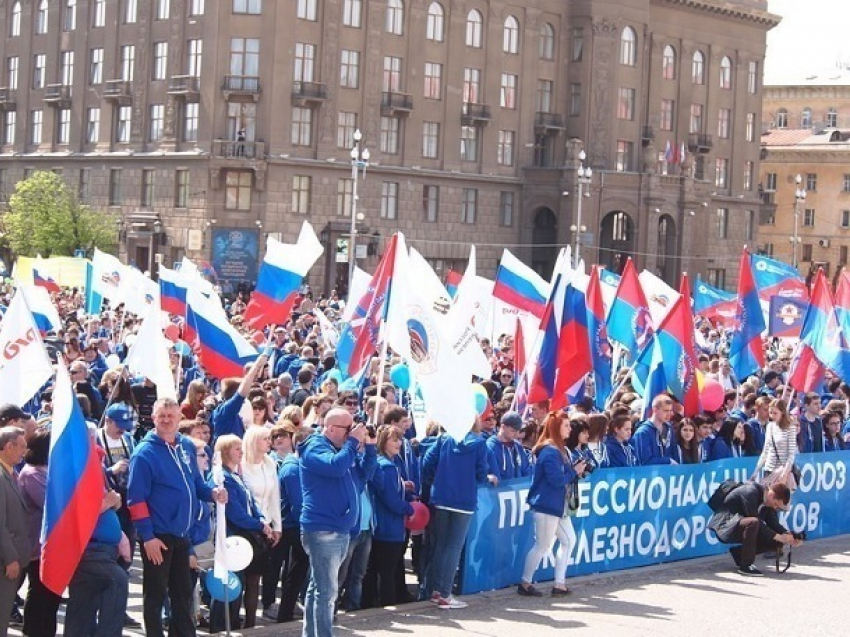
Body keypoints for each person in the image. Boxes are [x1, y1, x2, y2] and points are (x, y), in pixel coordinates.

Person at [127, 398, 228, 637]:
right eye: (161, 415)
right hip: (158, 537)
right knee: (155, 596)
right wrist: (148, 537)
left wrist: (212, 493)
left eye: (171, 415)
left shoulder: (186, 446)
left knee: (183, 594)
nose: (166, 420)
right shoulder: (144, 453)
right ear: (153, 418)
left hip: (183, 535)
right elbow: (135, 499)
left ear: (179, 418)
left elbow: (195, 484)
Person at [299, 408, 374, 637]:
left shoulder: (342, 450)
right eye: (348, 428)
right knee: (327, 591)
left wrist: (369, 447)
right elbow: (335, 467)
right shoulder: (315, 447)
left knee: (318, 588)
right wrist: (353, 443)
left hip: (340, 529)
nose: (352, 432)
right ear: (331, 428)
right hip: (323, 529)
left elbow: (364, 476)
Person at [420, 419, 490, 609]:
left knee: (441, 545)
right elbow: (482, 472)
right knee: (453, 547)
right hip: (464, 500)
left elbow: (427, 462)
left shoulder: (444, 439)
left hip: (441, 497)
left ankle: (435, 591)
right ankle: (444, 593)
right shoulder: (479, 443)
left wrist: (435, 480)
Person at [209, 434, 274, 632]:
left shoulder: (235, 475)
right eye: (237, 449)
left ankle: (239, 624)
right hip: (233, 537)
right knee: (229, 585)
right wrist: (260, 526)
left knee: (243, 582)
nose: (241, 452)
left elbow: (251, 502)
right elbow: (235, 513)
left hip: (246, 537)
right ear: (226, 451)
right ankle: (222, 626)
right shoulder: (223, 477)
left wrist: (262, 518)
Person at [519, 412, 585, 596]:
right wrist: (575, 471)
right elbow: (556, 480)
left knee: (569, 540)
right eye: (566, 426)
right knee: (542, 545)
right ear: (556, 428)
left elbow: (559, 477)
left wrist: (574, 471)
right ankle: (525, 582)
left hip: (555, 506)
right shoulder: (550, 452)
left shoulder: (556, 450)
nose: (570, 429)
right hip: (547, 505)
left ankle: (559, 583)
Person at [362, 427, 414, 608]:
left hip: (379, 526)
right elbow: (390, 498)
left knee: (374, 570)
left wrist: (403, 488)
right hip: (388, 527)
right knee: (386, 573)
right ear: (383, 442)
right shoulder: (387, 466)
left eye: (399, 439)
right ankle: (385, 608)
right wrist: (409, 508)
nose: (398, 443)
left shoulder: (383, 464)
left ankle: (369, 605)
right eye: (394, 440)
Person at [18, 427, 62, 637]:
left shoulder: (45, 471)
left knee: (50, 595)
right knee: (39, 594)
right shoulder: (32, 474)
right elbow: (50, 505)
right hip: (37, 546)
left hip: (50, 545)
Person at [708, 481, 801, 576]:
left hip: (739, 524)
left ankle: (740, 555)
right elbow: (757, 522)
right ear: (771, 494)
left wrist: (789, 535)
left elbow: (774, 524)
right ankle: (746, 566)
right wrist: (779, 536)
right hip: (725, 527)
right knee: (754, 523)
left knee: (777, 540)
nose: (775, 507)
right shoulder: (750, 491)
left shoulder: (768, 502)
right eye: (776, 504)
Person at [240, 426, 282, 623]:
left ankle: (250, 622)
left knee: (255, 578)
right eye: (264, 438)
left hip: (266, 527)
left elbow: (275, 497)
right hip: (246, 527)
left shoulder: (270, 463)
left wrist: (277, 527)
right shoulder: (242, 465)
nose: (269, 442)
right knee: (242, 577)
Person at [276, 426, 312, 623]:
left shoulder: (300, 465)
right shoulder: (291, 468)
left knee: (297, 572)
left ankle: (288, 612)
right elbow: (298, 503)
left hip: (298, 524)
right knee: (295, 572)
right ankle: (285, 614)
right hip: (293, 525)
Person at [0, 426, 30, 637]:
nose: (24, 452)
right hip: (4, 562)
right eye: (21, 446)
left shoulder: (10, 473)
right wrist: (10, 558)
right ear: (8, 446)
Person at [209, 352, 269, 441]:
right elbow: (242, 392)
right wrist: (257, 365)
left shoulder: (234, 415)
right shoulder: (225, 411)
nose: (244, 401)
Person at [753, 398, 798, 483]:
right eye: (770, 413)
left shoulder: (790, 428)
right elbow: (766, 450)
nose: (772, 416)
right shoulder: (770, 426)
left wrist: (785, 473)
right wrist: (756, 471)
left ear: (782, 412)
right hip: (769, 468)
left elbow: (791, 453)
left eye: (775, 413)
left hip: (783, 470)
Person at [486, 411, 532, 484]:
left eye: (518, 431)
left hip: (519, 492)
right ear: (503, 426)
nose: (516, 434)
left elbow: (526, 471)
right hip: (501, 493)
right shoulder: (490, 447)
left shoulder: (518, 446)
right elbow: (494, 475)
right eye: (513, 431)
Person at [632, 395, 677, 465]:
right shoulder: (643, 433)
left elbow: (674, 453)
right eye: (666, 411)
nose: (670, 414)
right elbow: (645, 462)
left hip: (669, 474)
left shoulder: (669, 428)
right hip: (649, 475)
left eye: (671, 410)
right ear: (655, 410)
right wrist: (668, 461)